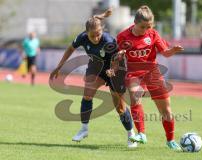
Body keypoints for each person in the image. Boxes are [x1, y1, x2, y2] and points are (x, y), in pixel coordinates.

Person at [50, 8, 137, 148]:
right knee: (87, 95)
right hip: (96, 67)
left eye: (98, 34)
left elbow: (118, 59)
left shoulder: (108, 41)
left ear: (102, 31)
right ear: (86, 33)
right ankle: (84, 129)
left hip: (115, 69)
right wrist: (59, 67)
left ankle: (131, 134)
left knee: (119, 107)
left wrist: (112, 70)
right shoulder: (82, 37)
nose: (96, 38)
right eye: (92, 35)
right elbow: (70, 49)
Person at [116, 5, 184, 150]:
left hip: (152, 72)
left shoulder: (153, 34)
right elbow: (116, 56)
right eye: (143, 27)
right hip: (133, 72)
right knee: (135, 95)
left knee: (166, 111)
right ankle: (142, 134)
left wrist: (172, 50)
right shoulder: (122, 36)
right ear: (134, 22)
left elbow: (165, 52)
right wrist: (119, 55)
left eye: (149, 26)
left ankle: (170, 141)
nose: (146, 30)